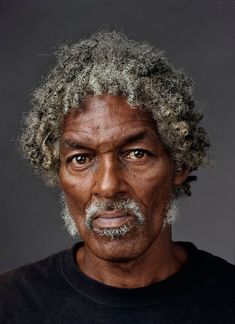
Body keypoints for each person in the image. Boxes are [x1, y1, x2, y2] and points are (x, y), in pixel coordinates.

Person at [0, 31, 234, 324]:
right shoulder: (10, 305)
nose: (108, 186)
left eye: (137, 154)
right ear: (57, 172)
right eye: (81, 159)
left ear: (180, 165)